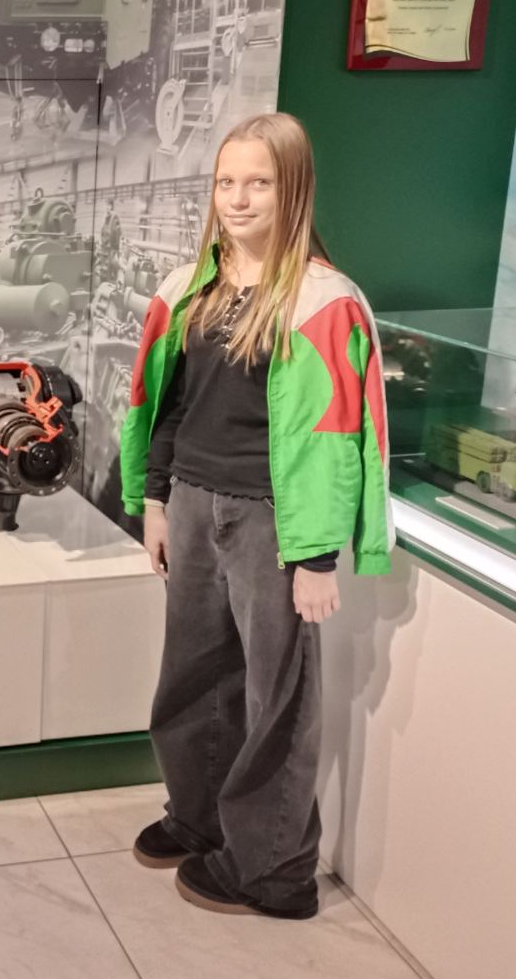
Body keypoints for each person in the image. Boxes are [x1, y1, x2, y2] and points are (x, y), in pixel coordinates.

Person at [119, 112, 392, 921]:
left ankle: (275, 869)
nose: (237, 199)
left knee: (279, 696)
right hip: (194, 503)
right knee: (192, 677)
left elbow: (337, 435)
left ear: (293, 188)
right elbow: (165, 407)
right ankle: (199, 818)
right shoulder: (188, 289)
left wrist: (317, 556)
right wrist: (156, 501)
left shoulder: (324, 301)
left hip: (274, 519)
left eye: (259, 183)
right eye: (226, 182)